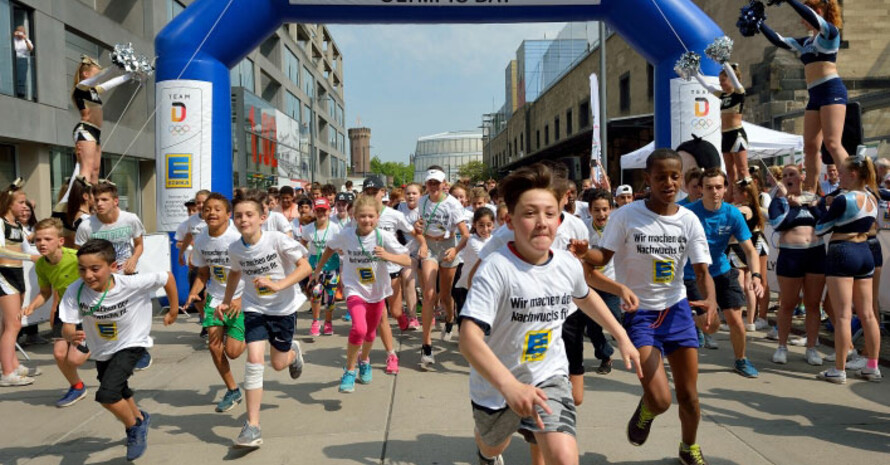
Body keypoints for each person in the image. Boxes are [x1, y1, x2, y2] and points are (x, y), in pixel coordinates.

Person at [459, 163, 640, 465]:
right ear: (510, 221)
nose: (542, 222)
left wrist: (621, 335)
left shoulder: (567, 264)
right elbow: (468, 338)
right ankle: (486, 453)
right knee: (492, 446)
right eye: (530, 214)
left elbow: (585, 297)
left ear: (560, 218)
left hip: (549, 375)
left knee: (564, 456)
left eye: (549, 213)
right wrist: (509, 386)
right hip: (496, 384)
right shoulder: (496, 268)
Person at [581, 149, 717, 465]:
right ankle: (646, 410)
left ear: (682, 179)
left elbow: (701, 271)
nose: (668, 183)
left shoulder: (689, 220)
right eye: (660, 177)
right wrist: (585, 253)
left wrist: (710, 301)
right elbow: (603, 257)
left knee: (689, 397)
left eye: (674, 176)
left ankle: (688, 447)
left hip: (677, 311)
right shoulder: (626, 216)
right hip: (640, 313)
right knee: (660, 399)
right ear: (647, 180)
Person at [60, 239, 179, 460]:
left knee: (107, 394)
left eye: (95, 269)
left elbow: (168, 277)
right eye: (82, 269)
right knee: (119, 387)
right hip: (102, 347)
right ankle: (140, 418)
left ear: (113, 267)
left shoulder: (130, 283)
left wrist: (172, 310)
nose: (88, 275)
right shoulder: (75, 291)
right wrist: (70, 334)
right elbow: (67, 325)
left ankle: (133, 427)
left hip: (132, 343)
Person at [218, 193, 311, 448]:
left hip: (283, 309)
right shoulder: (235, 248)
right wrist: (226, 301)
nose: (243, 219)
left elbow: (305, 267)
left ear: (262, 217)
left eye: (249, 215)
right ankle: (252, 426)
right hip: (254, 307)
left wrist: (278, 284)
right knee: (254, 360)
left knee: (279, 364)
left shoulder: (277, 240)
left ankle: (293, 351)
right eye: (238, 215)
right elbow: (235, 273)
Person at [313, 195, 410, 392]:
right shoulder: (346, 234)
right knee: (359, 328)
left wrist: (387, 255)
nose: (367, 220)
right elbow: (330, 248)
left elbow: (408, 260)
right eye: (362, 216)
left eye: (371, 216)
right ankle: (349, 370)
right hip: (354, 287)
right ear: (355, 216)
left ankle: (364, 359)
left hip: (377, 290)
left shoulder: (383, 237)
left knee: (370, 332)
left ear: (377, 218)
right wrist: (317, 270)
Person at [758, 0, 848, 193]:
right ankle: (810, 190)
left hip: (831, 90)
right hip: (814, 94)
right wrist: (759, 24)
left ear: (818, 11)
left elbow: (813, 18)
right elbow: (779, 40)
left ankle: (851, 184)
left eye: (805, 16)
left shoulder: (830, 33)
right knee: (809, 146)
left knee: (832, 143)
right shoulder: (806, 42)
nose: (802, 22)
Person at [683, 168, 763, 378]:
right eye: (709, 187)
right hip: (694, 274)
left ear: (726, 188)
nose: (714, 192)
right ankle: (693, 322)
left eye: (719, 187)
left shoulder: (732, 213)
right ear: (700, 189)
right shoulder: (687, 212)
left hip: (721, 270)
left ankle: (741, 360)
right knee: (711, 327)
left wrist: (756, 276)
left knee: (736, 320)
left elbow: (750, 250)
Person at [814, 155, 882, 383]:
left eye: (842, 172)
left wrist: (821, 208)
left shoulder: (844, 199)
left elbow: (820, 228)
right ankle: (872, 365)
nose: (838, 176)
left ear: (853, 174)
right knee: (868, 313)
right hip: (865, 252)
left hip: (842, 251)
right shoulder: (872, 197)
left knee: (843, 315)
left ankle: (839, 369)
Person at [182, 193, 248, 412]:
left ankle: (257, 331)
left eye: (217, 209)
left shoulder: (238, 238)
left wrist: (239, 298)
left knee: (234, 351)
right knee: (213, 345)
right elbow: (203, 273)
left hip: (242, 297)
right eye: (208, 209)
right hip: (215, 297)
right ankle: (232, 390)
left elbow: (253, 270)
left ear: (228, 215)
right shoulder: (201, 240)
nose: (211, 212)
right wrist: (193, 293)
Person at [74, 181, 151, 370]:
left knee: (132, 314)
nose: (99, 204)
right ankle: (111, 349)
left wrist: (133, 258)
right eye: (96, 199)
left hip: (128, 274)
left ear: (115, 201)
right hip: (103, 278)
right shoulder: (86, 226)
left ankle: (139, 349)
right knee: (109, 314)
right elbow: (80, 253)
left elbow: (139, 244)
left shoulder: (130, 219)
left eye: (104, 199)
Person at [359, 176, 425, 375]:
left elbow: (412, 231)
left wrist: (424, 244)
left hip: (391, 268)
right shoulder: (361, 214)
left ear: (382, 193)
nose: (372, 195)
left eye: (375, 192)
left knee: (395, 311)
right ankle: (389, 355)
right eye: (368, 192)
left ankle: (402, 317)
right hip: (369, 273)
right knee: (380, 317)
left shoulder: (393, 215)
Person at [23, 219, 88, 405]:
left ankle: (102, 343)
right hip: (66, 309)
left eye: (47, 239)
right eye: (38, 240)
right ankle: (77, 387)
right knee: (60, 355)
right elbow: (45, 292)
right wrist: (31, 307)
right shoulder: (41, 265)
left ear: (60, 241)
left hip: (88, 309)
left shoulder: (77, 257)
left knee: (74, 359)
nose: (42, 243)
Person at [768, 164, 826, 366]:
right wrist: (792, 207)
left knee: (812, 304)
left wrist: (811, 206)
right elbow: (778, 224)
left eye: (792, 174)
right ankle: (782, 346)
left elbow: (824, 222)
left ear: (801, 177)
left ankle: (811, 348)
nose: (788, 178)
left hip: (816, 254)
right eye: (784, 176)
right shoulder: (778, 201)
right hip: (791, 256)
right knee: (787, 304)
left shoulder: (813, 199)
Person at [412, 167, 470, 369]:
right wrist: (422, 240)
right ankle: (426, 346)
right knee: (429, 293)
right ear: (426, 185)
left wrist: (455, 251)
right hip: (430, 246)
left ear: (444, 184)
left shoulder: (453, 204)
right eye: (430, 183)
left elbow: (465, 235)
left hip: (448, 246)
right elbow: (417, 228)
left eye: (437, 183)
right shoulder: (423, 201)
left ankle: (449, 319)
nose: (434, 187)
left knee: (446, 296)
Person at [68, 56, 133, 188]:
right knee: (86, 170)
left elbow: (112, 83)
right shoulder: (80, 88)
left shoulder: (94, 91)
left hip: (96, 132)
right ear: (86, 74)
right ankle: (82, 203)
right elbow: (97, 78)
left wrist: (130, 74)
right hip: (85, 130)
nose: (99, 76)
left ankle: (92, 205)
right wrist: (114, 67)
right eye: (96, 72)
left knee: (95, 172)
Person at [0, 180, 41, 387]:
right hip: (4, 274)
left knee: (10, 324)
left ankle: (12, 364)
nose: (26, 207)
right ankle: (7, 372)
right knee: (14, 324)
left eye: (27, 203)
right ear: (9, 203)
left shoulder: (17, 225)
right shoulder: (0, 222)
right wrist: (31, 259)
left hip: (16, 274)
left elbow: (27, 247)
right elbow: (0, 250)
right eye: (22, 203)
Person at [694, 63, 750, 186]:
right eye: (719, 81)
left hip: (736, 134)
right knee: (729, 171)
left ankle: (750, 198)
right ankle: (731, 196)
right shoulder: (722, 95)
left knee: (742, 171)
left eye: (723, 80)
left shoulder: (739, 93)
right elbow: (707, 86)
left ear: (731, 78)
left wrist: (724, 62)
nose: (721, 84)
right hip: (725, 135)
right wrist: (695, 73)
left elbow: (735, 79)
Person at [300, 198, 341, 338]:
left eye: (324, 210)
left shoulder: (335, 228)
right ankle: (316, 322)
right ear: (314, 211)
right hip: (314, 266)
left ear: (329, 211)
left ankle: (328, 322)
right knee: (316, 292)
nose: (321, 213)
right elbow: (303, 243)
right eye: (318, 210)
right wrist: (304, 257)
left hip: (332, 266)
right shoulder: (308, 229)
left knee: (330, 297)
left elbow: (341, 246)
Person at [452, 208, 494, 320]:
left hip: (484, 286)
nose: (485, 229)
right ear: (474, 225)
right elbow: (486, 258)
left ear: (493, 225)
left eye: (488, 225)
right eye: (481, 225)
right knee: (466, 320)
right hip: (466, 286)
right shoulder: (472, 241)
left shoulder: (494, 240)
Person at [396, 183, 422, 330]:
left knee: (426, 283)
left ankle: (431, 309)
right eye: (408, 193)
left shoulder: (426, 208)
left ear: (421, 195)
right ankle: (413, 317)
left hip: (426, 250)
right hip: (407, 251)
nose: (411, 196)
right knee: (408, 278)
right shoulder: (399, 208)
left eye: (414, 193)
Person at [13, 26, 33, 100]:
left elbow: (30, 48)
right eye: (19, 31)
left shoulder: (26, 40)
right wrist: (13, 35)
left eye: (22, 32)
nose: (20, 34)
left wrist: (25, 39)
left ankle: (20, 93)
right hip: (13, 58)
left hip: (22, 60)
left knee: (21, 77)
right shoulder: (14, 39)